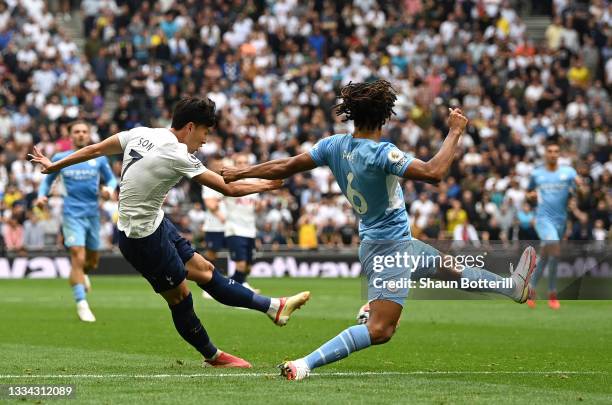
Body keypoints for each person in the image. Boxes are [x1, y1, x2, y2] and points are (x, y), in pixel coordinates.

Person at [221, 80, 536, 380]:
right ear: (385, 117)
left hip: (392, 242)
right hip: (390, 249)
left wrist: (240, 172)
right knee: (380, 330)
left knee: (449, 269)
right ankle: (305, 363)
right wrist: (454, 132)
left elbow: (285, 165)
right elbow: (434, 172)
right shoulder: (381, 153)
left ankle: (511, 287)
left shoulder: (333, 146)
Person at [30, 97, 310, 368]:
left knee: (206, 270)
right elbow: (229, 188)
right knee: (180, 298)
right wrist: (267, 184)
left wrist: (55, 165)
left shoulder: (140, 133)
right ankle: (213, 355)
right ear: (190, 127)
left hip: (156, 223)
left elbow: (94, 150)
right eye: (204, 132)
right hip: (142, 239)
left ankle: (273, 307)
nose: (205, 140)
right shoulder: (177, 153)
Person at [35, 121, 117, 322]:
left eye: (84, 132)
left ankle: (83, 275)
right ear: (70, 136)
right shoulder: (61, 158)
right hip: (72, 214)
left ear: (88, 135)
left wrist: (109, 189)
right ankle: (81, 303)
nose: (80, 135)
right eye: (76, 132)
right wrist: (41, 196)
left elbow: (112, 179)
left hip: (93, 215)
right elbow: (47, 181)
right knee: (77, 255)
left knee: (91, 262)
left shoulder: (98, 158)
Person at [526, 139, 581, 310]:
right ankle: (552, 293)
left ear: (559, 154)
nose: (553, 154)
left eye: (556, 151)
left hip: (561, 221)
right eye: (550, 151)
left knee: (547, 255)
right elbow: (528, 194)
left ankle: (530, 289)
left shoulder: (569, 173)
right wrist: (531, 197)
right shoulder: (537, 174)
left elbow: (578, 192)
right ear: (545, 154)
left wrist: (581, 189)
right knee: (554, 249)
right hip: (543, 219)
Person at [223, 153, 264, 292]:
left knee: (248, 267)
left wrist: (260, 206)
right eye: (239, 162)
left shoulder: (254, 182)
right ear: (234, 164)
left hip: (250, 230)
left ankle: (232, 287)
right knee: (240, 265)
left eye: (245, 162)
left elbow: (255, 207)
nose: (242, 165)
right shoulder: (229, 181)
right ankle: (230, 292)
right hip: (235, 229)